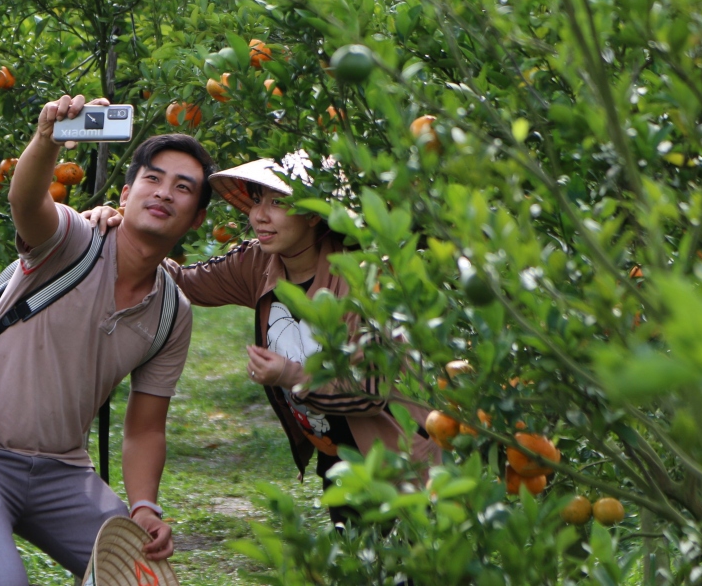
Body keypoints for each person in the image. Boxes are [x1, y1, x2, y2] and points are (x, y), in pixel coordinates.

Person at [0, 95, 215, 586]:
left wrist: (144, 506)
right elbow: (26, 202)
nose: (164, 193)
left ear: (198, 218)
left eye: (183, 188)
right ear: (125, 195)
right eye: (153, 178)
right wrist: (47, 139)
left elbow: (145, 428)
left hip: (61, 471)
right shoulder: (74, 242)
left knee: (140, 580)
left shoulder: (171, 311)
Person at [86, 153, 441, 527]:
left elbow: (369, 388)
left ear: (313, 212)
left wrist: (291, 374)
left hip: (399, 455)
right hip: (337, 454)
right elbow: (181, 280)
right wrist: (122, 227)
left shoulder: (362, 276)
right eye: (257, 200)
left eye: (278, 202)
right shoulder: (258, 263)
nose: (260, 215)